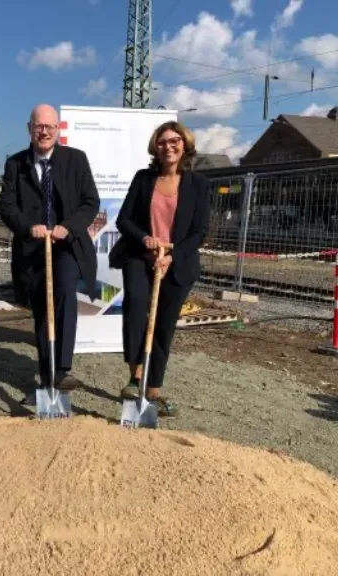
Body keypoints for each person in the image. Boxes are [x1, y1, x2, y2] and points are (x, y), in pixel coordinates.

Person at [0, 104, 100, 405]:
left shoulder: (75, 159)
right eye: (38, 126)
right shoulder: (16, 164)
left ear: (58, 129)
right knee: (42, 311)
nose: (44, 132)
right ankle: (47, 380)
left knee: (64, 292)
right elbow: (6, 204)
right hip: (33, 248)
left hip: (67, 246)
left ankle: (62, 370)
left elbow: (90, 202)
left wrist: (68, 227)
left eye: (49, 127)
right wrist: (28, 227)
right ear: (29, 128)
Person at [110, 121, 211, 416]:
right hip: (140, 258)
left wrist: (172, 256)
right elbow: (124, 220)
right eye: (163, 141)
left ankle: (153, 392)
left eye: (174, 140)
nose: (168, 146)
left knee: (164, 326)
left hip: (178, 264)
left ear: (184, 144)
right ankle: (135, 378)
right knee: (136, 308)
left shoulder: (198, 184)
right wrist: (145, 238)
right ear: (155, 147)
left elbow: (200, 231)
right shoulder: (144, 179)